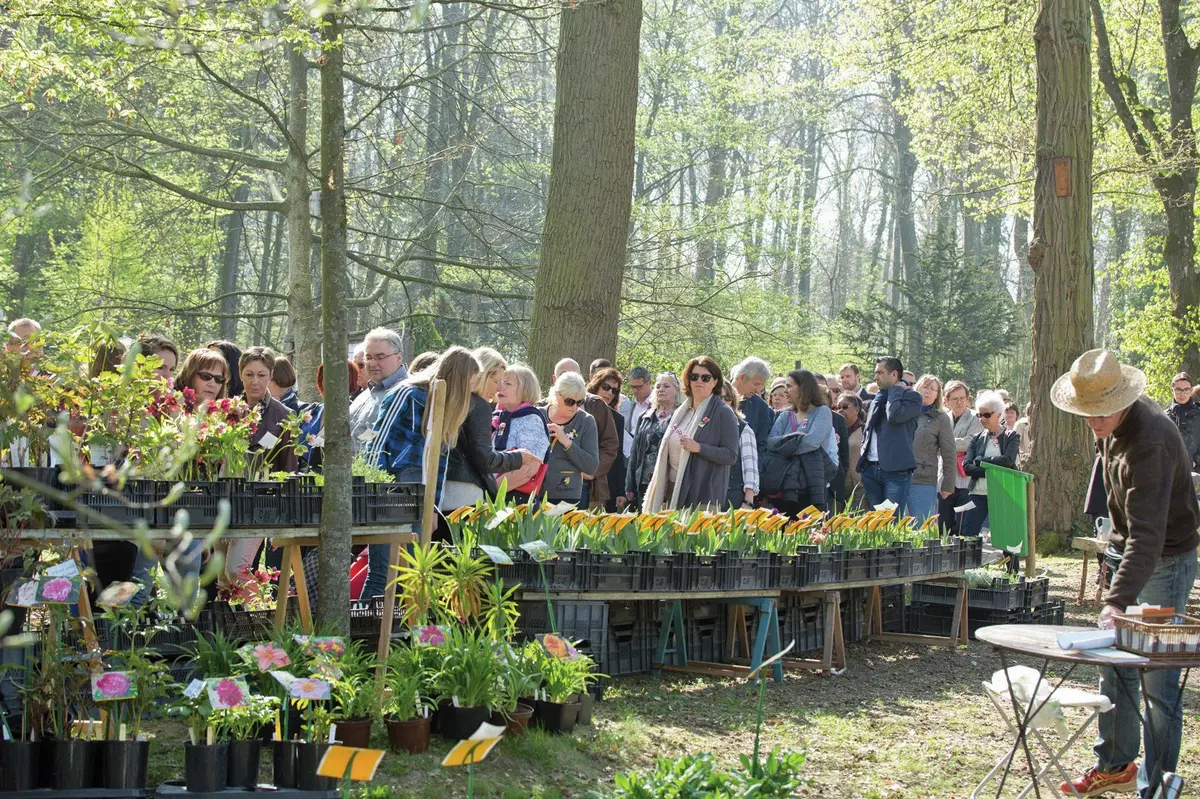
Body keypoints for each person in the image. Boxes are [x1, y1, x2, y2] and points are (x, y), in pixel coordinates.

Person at [1053, 350, 1199, 799]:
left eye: (1101, 414)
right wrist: (1108, 548)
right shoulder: (1109, 425)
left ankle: (1155, 787)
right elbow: (1119, 506)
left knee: (1156, 682)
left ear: (1124, 399)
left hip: (1166, 559)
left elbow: (1149, 536)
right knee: (1113, 670)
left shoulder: (1151, 441)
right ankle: (1115, 765)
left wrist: (1117, 601)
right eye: (1088, 413)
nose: (1094, 423)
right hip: (1126, 552)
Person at [362, 346, 478, 598]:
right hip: (389, 493)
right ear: (458, 378)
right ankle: (366, 633)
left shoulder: (445, 407)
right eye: (470, 383)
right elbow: (377, 445)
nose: (471, 391)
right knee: (383, 572)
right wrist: (379, 493)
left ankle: (398, 634)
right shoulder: (408, 394)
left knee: (411, 573)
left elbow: (438, 464)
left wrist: (433, 507)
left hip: (416, 499)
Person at [443, 348, 538, 510]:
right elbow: (486, 460)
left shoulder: (453, 399)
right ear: (483, 375)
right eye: (497, 381)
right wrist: (519, 457)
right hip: (466, 493)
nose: (498, 389)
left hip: (442, 488)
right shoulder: (479, 407)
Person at [642, 357, 738, 512]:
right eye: (694, 377)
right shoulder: (682, 411)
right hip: (673, 489)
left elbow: (730, 455)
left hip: (702, 494)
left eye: (705, 378)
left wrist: (699, 448)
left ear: (715, 382)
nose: (699, 381)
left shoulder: (723, 412)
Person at [766, 369, 836, 515]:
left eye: (789, 386)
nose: (785, 391)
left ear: (803, 388)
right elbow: (771, 443)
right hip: (785, 483)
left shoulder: (822, 412)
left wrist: (786, 446)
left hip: (810, 482)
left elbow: (812, 442)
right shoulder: (785, 415)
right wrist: (795, 437)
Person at [857, 357, 921, 510]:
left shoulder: (912, 397)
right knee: (875, 524)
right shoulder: (877, 400)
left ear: (894, 375)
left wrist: (896, 389)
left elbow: (895, 415)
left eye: (880, 372)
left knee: (890, 523)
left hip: (896, 472)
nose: (875, 377)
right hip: (871, 470)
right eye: (875, 372)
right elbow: (868, 431)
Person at [555, 358, 618, 509]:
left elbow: (610, 444)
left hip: (586, 485)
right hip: (550, 482)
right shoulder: (543, 408)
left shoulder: (596, 405)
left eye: (573, 374)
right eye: (564, 375)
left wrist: (593, 471)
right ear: (555, 379)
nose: (569, 379)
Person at [958, 390, 1018, 537]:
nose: (982, 419)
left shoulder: (1012, 436)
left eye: (986, 415)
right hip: (977, 493)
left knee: (1006, 538)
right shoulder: (976, 438)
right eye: (979, 415)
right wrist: (993, 471)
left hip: (1003, 493)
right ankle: (970, 561)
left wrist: (981, 462)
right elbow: (967, 467)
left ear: (998, 414)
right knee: (968, 534)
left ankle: (1010, 561)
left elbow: (1008, 461)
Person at [493, 364, 550, 501]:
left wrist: (489, 492)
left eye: (508, 383)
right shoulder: (499, 416)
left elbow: (528, 469)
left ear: (524, 389)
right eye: (500, 382)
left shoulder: (531, 420)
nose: (501, 387)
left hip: (514, 502)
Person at [624, 373, 682, 509]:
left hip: (669, 481)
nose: (661, 389)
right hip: (643, 482)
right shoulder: (644, 417)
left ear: (677, 390)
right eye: (658, 386)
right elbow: (634, 453)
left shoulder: (682, 417)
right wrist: (629, 484)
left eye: (667, 386)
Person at [542, 372, 600, 504]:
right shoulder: (538, 415)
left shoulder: (586, 421)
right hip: (536, 492)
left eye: (580, 402)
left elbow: (591, 466)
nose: (574, 407)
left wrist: (567, 442)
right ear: (557, 395)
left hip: (568, 496)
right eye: (569, 401)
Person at [350, 328, 409, 450]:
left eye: (380, 357)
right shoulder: (364, 394)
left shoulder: (407, 394)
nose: (372, 363)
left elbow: (380, 437)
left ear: (398, 357)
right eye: (368, 357)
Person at [908, 374, 955, 523]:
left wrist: (947, 484)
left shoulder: (941, 418)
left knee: (920, 527)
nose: (928, 391)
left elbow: (949, 452)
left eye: (933, 389)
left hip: (923, 478)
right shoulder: (904, 412)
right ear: (917, 388)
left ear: (937, 395)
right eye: (925, 387)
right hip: (898, 476)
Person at [940, 380, 984, 534]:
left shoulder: (975, 418)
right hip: (944, 478)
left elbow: (970, 442)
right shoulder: (942, 418)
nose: (959, 402)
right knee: (943, 526)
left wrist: (943, 443)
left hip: (965, 479)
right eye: (955, 399)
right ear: (947, 401)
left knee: (962, 524)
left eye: (962, 398)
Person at [298, 360, 360, 471]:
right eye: (326, 376)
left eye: (339, 377)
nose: (331, 382)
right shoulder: (314, 411)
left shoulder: (353, 413)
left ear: (350, 381)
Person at [588, 367, 628, 511]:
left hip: (606, 478)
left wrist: (620, 491)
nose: (610, 392)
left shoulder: (617, 418)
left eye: (615, 390)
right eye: (606, 387)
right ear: (596, 385)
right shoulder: (579, 409)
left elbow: (617, 455)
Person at [721, 383, 760, 509]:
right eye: (717, 398)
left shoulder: (744, 429)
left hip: (734, 498)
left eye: (726, 398)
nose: (722, 402)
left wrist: (748, 502)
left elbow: (751, 468)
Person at [731, 356, 774, 451]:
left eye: (762, 385)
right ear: (742, 377)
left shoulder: (761, 408)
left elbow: (761, 445)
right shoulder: (715, 397)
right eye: (756, 384)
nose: (758, 390)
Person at [1165, 371, 1200, 469]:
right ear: (1172, 390)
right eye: (1178, 389)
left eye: (1186, 390)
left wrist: (1195, 461)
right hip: (1171, 473)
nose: (1182, 393)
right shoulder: (1163, 417)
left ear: (1191, 390)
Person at [834, 394, 864, 505]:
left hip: (860, 487)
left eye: (845, 407)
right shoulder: (833, 430)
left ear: (856, 410)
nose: (840, 410)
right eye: (837, 407)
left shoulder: (865, 430)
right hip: (839, 486)